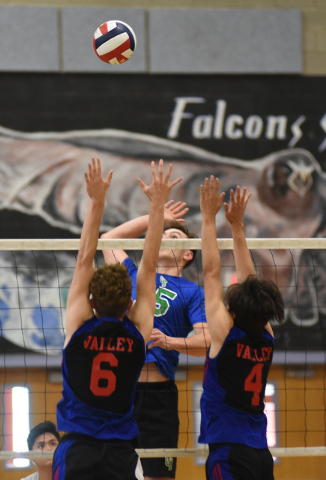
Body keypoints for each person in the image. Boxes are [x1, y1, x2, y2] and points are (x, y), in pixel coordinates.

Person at [52, 158, 182, 480]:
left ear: (92, 301)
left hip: (78, 447)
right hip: (120, 451)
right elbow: (148, 266)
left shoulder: (80, 324)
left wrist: (96, 202)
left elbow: (85, 256)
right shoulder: (137, 330)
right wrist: (157, 207)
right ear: (130, 304)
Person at [101, 203, 211, 480]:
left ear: (188, 254)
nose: (164, 238)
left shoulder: (192, 292)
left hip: (158, 399)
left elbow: (207, 341)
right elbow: (108, 240)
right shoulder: (132, 274)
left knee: (158, 476)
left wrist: (169, 342)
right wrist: (155, 217)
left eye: (173, 237)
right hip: (121, 392)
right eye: (162, 234)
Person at [198, 176, 285, 480]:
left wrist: (208, 218)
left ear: (233, 311)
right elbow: (249, 284)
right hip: (261, 452)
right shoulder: (266, 338)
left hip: (230, 451)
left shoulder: (226, 334)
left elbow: (210, 273)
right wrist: (237, 227)